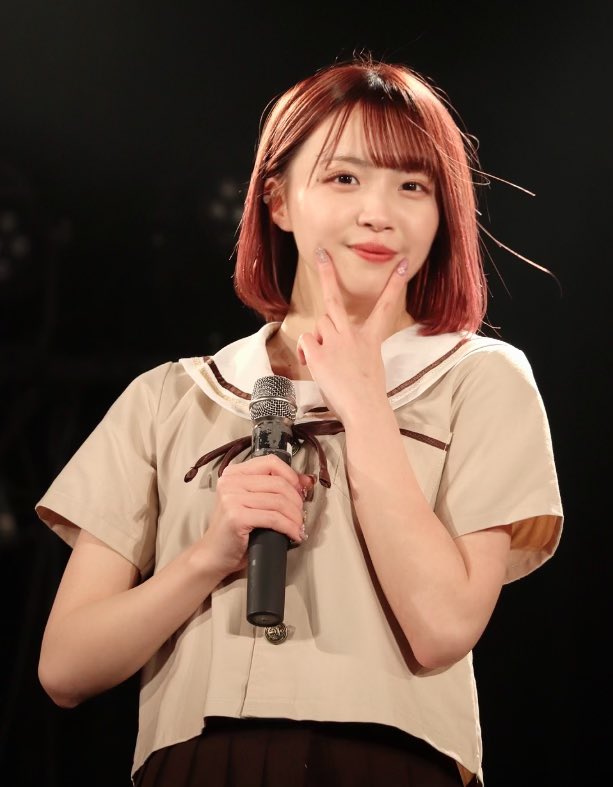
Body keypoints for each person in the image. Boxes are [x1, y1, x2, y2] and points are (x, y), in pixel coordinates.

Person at [36, 56, 563, 787]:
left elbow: (443, 627)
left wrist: (365, 403)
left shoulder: (480, 378)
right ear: (278, 200)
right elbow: (65, 667)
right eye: (344, 178)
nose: (378, 211)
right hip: (197, 763)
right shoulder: (171, 397)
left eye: (412, 186)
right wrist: (207, 556)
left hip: (388, 764)